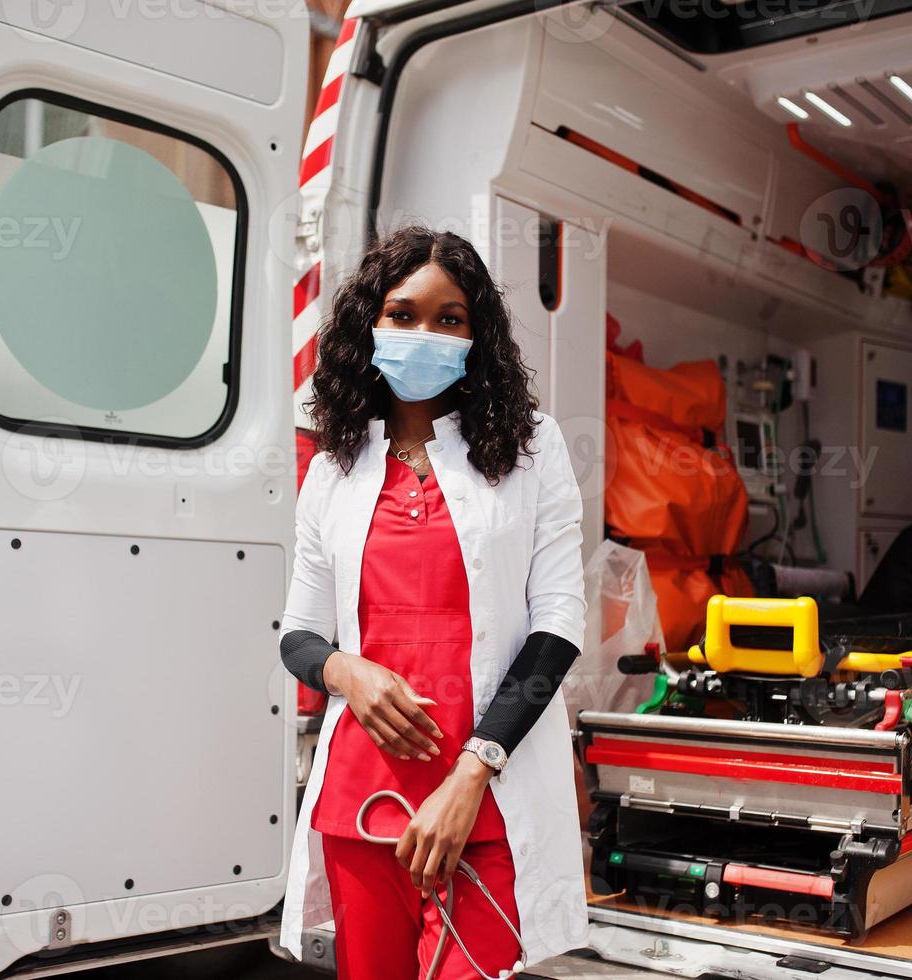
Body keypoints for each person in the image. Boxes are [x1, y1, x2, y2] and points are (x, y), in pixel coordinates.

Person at [275, 226, 590, 978]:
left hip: (485, 789)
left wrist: (472, 771)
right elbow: (299, 635)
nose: (425, 333)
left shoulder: (532, 449)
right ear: (369, 326)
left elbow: (558, 626)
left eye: (449, 318)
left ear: (476, 335)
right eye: (404, 313)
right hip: (362, 796)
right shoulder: (335, 470)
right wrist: (347, 672)